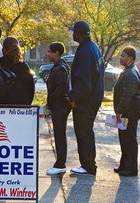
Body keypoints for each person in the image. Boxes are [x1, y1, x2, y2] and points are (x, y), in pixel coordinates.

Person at [68, 21, 105, 176]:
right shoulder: (91, 47)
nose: (72, 34)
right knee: (86, 131)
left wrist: (74, 97)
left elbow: (83, 81)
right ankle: (87, 164)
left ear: (79, 34)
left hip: (86, 101)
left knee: (84, 132)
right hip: (92, 98)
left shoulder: (86, 52)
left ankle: (88, 166)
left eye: (74, 31)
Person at [113, 46, 140, 177]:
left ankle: (131, 168)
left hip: (131, 109)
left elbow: (128, 94)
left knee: (129, 139)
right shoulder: (128, 70)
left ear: (130, 59)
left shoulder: (130, 73)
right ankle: (124, 165)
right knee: (124, 137)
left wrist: (120, 111)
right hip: (127, 108)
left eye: (123, 56)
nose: (120, 58)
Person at [45, 42, 72, 176]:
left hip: (60, 106)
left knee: (60, 134)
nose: (48, 54)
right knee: (59, 134)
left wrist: (50, 103)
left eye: (50, 51)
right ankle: (60, 163)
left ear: (57, 53)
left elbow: (59, 89)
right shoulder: (60, 66)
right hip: (59, 105)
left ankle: (60, 164)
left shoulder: (60, 68)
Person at [0, 37, 34, 105]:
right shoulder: (24, 66)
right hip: (20, 107)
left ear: (4, 49)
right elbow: (30, 88)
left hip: (0, 106)